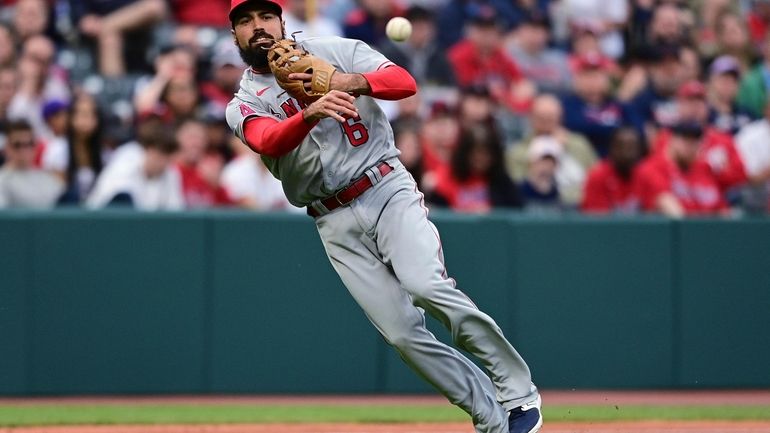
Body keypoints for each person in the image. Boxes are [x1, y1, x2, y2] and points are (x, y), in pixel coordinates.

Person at [224, 1, 542, 432]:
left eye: (265, 16)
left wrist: (346, 81)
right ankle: (491, 420)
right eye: (245, 21)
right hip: (332, 220)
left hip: (385, 187)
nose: (257, 27)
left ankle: (518, 392)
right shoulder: (242, 102)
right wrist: (308, 113)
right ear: (234, 35)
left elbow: (403, 82)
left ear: (282, 21)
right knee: (402, 335)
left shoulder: (335, 50)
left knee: (426, 285)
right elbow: (269, 140)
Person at [0, 119, 63, 208]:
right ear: (7, 148)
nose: (24, 149)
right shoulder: (2, 180)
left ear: (36, 146)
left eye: (29, 144)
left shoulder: (47, 177)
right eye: (17, 145)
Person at [581, 126, 642, 214]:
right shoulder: (597, 176)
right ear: (612, 149)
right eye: (621, 147)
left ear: (639, 150)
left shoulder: (647, 176)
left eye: (631, 148)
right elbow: (596, 221)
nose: (626, 154)